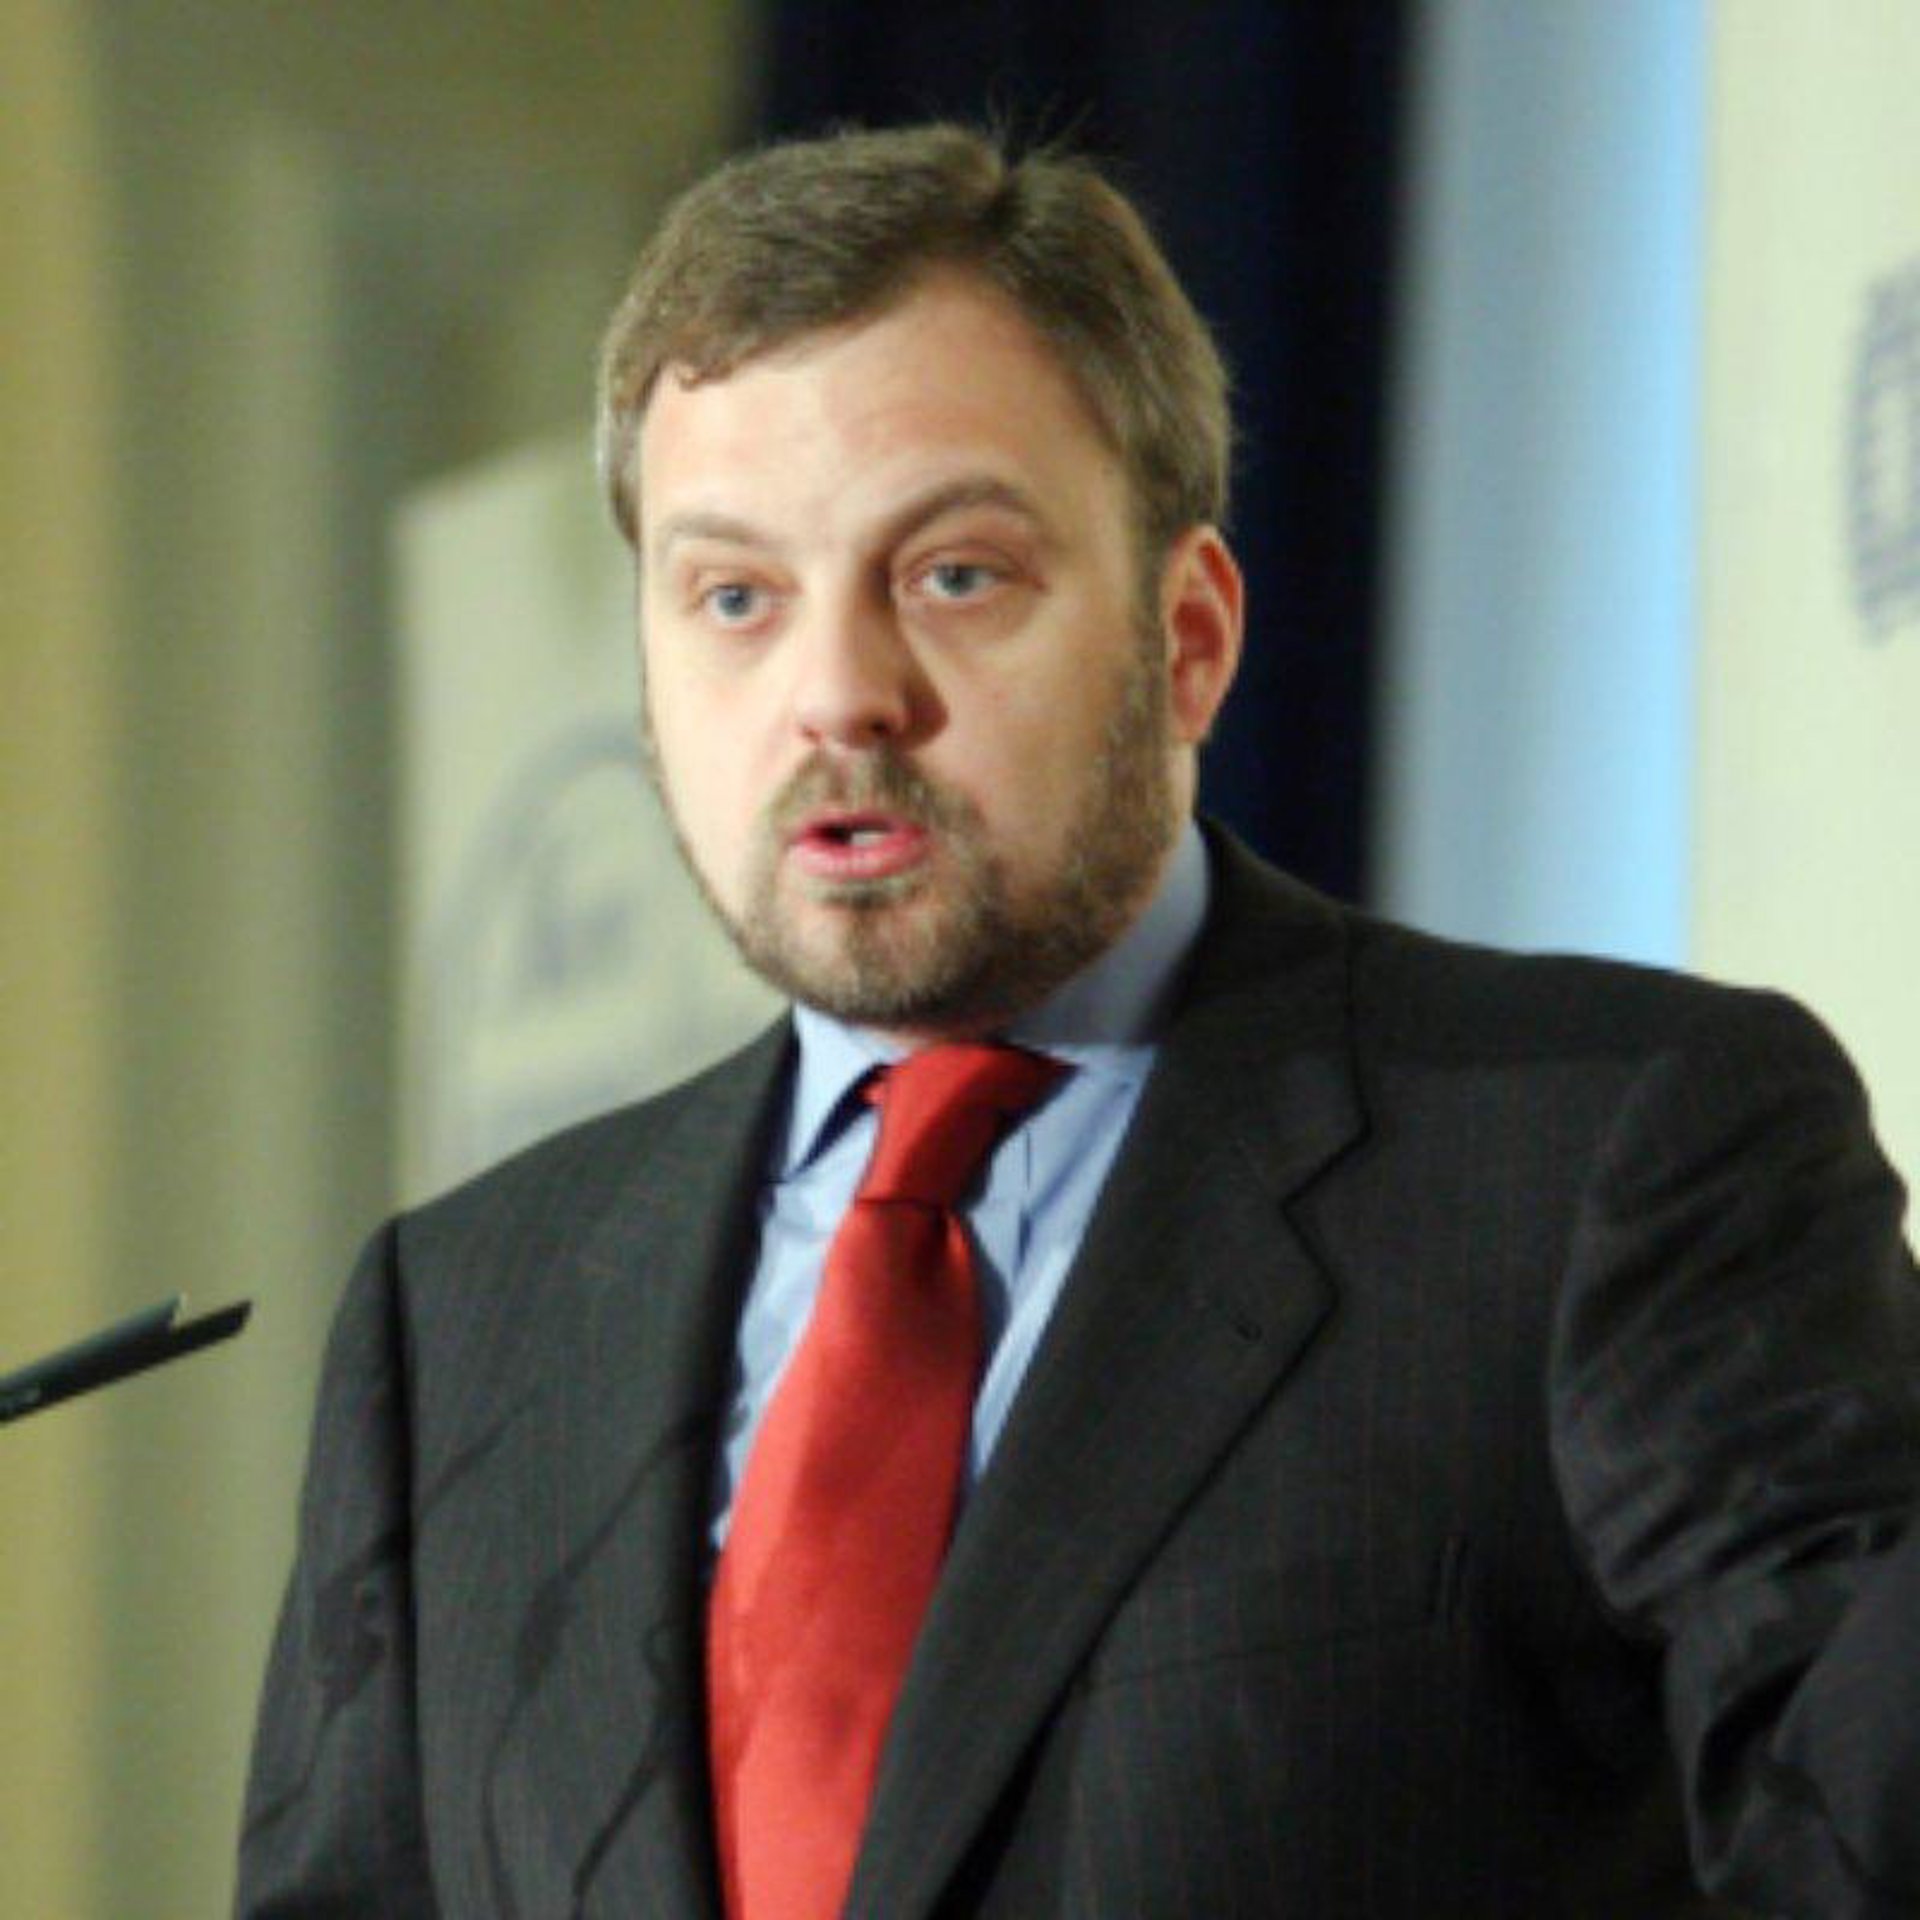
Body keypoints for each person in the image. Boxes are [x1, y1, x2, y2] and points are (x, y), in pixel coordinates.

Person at [236, 124, 1920, 1919]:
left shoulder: (1603, 1159)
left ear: (1188, 640)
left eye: (954, 575)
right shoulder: (464, 1323)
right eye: (735, 598)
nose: (837, 694)